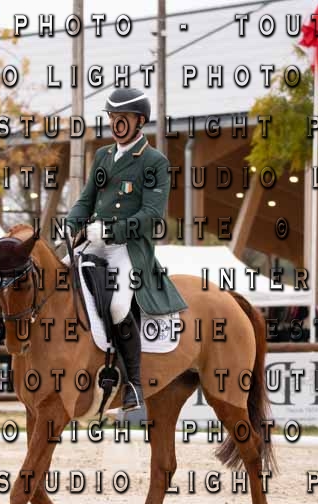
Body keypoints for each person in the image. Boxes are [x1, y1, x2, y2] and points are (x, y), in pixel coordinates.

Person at [65, 87, 188, 411]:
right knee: (56, 280)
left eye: (123, 118)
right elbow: (86, 200)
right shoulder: (103, 156)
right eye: (113, 117)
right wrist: (71, 223)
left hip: (127, 248)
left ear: (139, 121)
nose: (117, 123)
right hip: (93, 241)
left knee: (119, 306)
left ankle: (133, 382)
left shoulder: (154, 162)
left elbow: (151, 215)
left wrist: (110, 230)